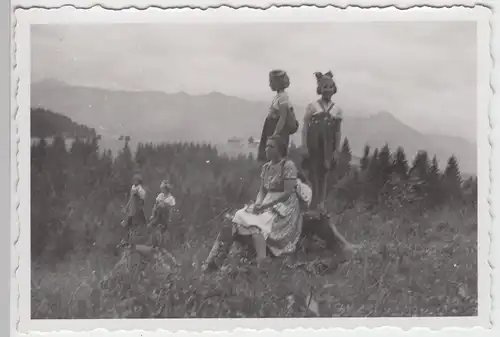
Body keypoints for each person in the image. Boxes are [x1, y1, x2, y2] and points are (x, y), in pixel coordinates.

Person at [301, 71, 343, 212]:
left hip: (327, 147)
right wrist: (304, 145)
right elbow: (305, 126)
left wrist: (336, 150)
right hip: (314, 145)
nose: (327, 90)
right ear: (319, 88)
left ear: (334, 89)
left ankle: (321, 204)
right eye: (324, 87)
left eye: (330, 87)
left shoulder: (337, 110)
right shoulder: (312, 106)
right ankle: (312, 202)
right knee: (313, 174)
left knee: (324, 175)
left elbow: (337, 131)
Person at [257, 70, 299, 162]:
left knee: (275, 156)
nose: (270, 84)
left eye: (271, 81)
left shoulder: (283, 97)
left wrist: (275, 134)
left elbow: (283, 117)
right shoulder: (279, 96)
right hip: (271, 127)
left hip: (277, 130)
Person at [121, 173, 147, 242]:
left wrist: (140, 208)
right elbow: (131, 198)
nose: (134, 181)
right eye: (134, 179)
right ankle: (127, 239)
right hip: (131, 209)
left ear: (139, 181)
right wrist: (127, 207)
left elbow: (142, 201)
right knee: (127, 225)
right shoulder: (133, 187)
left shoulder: (140, 190)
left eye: (136, 180)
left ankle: (133, 239)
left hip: (136, 210)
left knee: (135, 224)